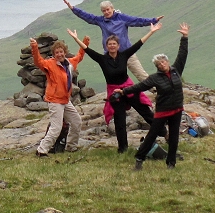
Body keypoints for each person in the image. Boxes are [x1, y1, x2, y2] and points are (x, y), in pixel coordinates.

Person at [68, 22, 161, 153]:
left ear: (118, 46)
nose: (112, 46)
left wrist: (151, 31)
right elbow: (87, 50)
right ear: (107, 47)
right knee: (119, 121)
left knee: (145, 112)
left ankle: (164, 133)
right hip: (114, 94)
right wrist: (76, 38)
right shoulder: (102, 59)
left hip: (128, 89)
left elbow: (138, 44)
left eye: (114, 44)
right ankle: (123, 149)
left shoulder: (124, 55)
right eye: (109, 44)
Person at [115, 22, 190, 170]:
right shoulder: (155, 78)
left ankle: (171, 163)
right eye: (159, 64)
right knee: (152, 136)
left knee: (174, 137)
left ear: (167, 61)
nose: (162, 64)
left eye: (163, 62)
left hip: (177, 110)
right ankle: (139, 159)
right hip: (162, 111)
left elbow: (182, 55)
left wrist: (185, 37)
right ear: (157, 67)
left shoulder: (176, 70)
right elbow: (139, 87)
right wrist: (123, 91)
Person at [64, 0, 162, 82]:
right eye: (103, 11)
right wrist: (73, 8)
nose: (106, 12)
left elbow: (137, 21)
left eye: (108, 9)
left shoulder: (122, 18)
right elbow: (87, 17)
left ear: (112, 8)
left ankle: (155, 90)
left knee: (140, 73)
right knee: (114, 77)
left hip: (127, 52)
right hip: (110, 56)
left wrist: (153, 20)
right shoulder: (101, 20)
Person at [29, 36, 86, 157]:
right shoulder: (50, 64)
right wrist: (34, 47)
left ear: (65, 52)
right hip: (55, 100)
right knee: (56, 127)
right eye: (57, 52)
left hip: (65, 100)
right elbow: (38, 61)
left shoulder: (70, 64)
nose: (59, 54)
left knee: (76, 122)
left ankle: (71, 147)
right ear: (54, 54)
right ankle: (41, 151)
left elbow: (79, 57)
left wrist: (84, 44)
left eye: (61, 52)